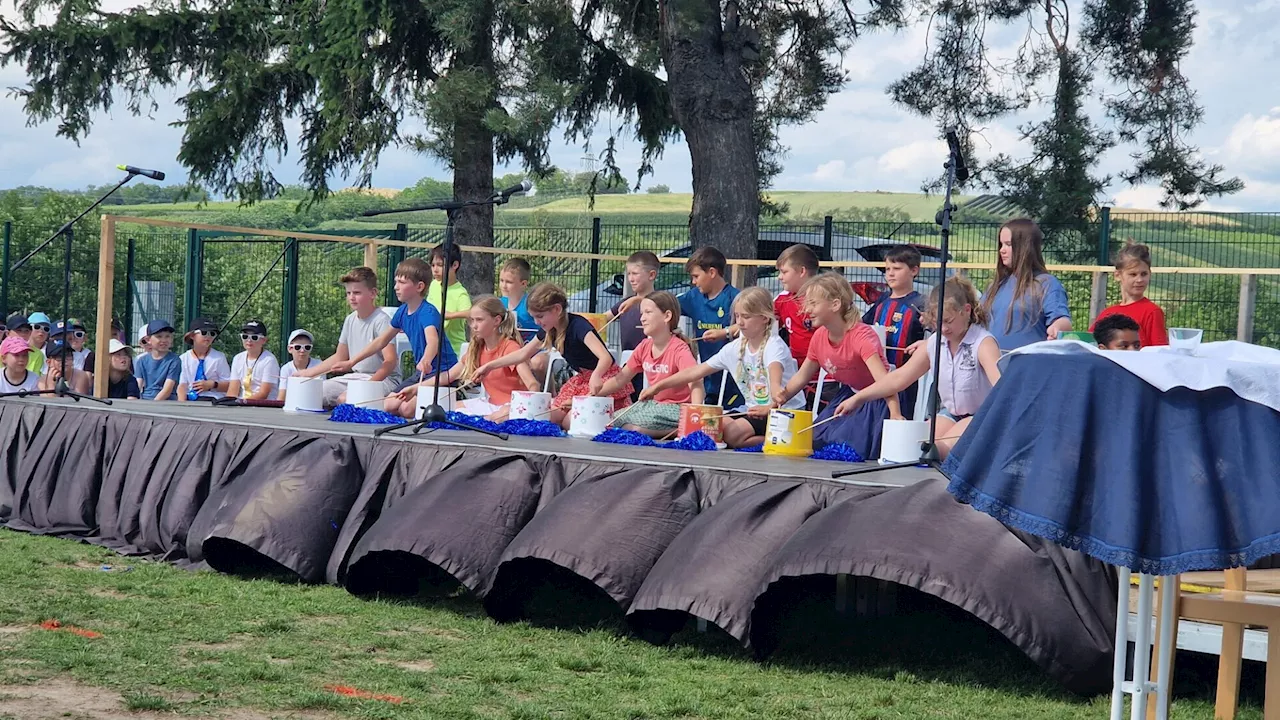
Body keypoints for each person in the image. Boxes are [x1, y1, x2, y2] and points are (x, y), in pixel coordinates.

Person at [843, 277, 1001, 460]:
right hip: (950, 413)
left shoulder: (983, 343)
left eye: (948, 321)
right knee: (915, 444)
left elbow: (1002, 388)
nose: (943, 328)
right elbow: (898, 378)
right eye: (937, 323)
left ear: (966, 311)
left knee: (940, 448)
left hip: (981, 415)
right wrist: (858, 398)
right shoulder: (934, 343)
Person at [643, 287, 805, 448]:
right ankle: (766, 439)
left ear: (764, 318)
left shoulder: (774, 345)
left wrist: (772, 403)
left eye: (746, 317)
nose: (739, 322)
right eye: (737, 316)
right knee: (712, 426)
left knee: (731, 433)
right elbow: (695, 372)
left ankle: (781, 440)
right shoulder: (734, 348)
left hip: (783, 411)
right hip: (753, 409)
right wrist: (657, 387)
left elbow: (775, 377)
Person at [775, 272, 899, 459]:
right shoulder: (819, 336)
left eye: (813, 303)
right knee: (815, 440)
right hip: (848, 395)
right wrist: (778, 400)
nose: (806, 310)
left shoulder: (861, 336)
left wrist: (895, 415)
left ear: (835, 305)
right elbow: (802, 376)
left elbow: (886, 383)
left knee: (844, 446)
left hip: (876, 400)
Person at [475, 283, 629, 430]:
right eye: (534, 317)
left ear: (557, 309)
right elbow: (523, 353)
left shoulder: (579, 326)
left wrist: (597, 375)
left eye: (540, 316)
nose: (537, 322)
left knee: (567, 421)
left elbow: (605, 357)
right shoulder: (549, 330)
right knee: (547, 414)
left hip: (604, 380)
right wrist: (489, 366)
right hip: (583, 380)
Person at [399, 296, 538, 421]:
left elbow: (533, 385)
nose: (474, 326)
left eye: (479, 320)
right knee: (445, 410)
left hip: (509, 407)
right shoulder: (477, 348)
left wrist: (517, 408)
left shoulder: (509, 347)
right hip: (489, 404)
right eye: (472, 320)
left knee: (492, 418)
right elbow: (448, 376)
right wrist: (415, 388)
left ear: (497, 321)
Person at [336, 258, 455, 404]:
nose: (396, 287)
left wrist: (426, 360)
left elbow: (433, 341)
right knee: (390, 405)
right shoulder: (402, 311)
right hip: (421, 374)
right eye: (396, 282)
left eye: (402, 283)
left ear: (419, 287)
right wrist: (351, 362)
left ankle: (454, 397)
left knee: (405, 408)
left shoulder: (428, 312)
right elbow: (381, 341)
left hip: (443, 373)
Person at [594, 292, 702, 438]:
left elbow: (695, 379)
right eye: (642, 313)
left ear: (667, 316)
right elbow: (621, 379)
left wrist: (694, 418)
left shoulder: (678, 348)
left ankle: (680, 429)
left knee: (633, 427)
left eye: (648, 312)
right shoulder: (644, 346)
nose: (642, 318)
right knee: (608, 419)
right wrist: (592, 395)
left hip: (676, 408)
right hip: (653, 406)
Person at [295, 267, 400, 407]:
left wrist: (369, 386)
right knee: (313, 393)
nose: (351, 297)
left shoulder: (381, 320)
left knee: (345, 399)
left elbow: (390, 361)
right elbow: (340, 357)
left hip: (384, 379)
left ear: (373, 293)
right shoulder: (350, 319)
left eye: (357, 293)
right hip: (357, 377)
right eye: (348, 293)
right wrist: (308, 373)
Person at [980, 218, 1072, 350]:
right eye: (1001, 244)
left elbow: (1062, 320)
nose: (1002, 250)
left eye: (1008, 244)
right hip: (992, 364)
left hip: (1027, 364)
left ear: (1025, 247)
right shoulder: (995, 286)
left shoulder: (1046, 284)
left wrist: (1057, 328)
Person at [862, 246, 926, 419]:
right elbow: (862, 328)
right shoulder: (881, 302)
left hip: (906, 383)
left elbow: (935, 335)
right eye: (887, 269)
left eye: (897, 269)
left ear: (914, 270)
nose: (890, 274)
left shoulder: (921, 304)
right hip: (877, 378)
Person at [679, 247, 741, 408]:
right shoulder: (693, 297)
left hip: (735, 380)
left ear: (712, 272)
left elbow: (752, 322)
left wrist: (725, 332)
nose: (694, 282)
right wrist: (676, 333)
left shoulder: (735, 297)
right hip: (708, 379)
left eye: (696, 276)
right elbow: (666, 308)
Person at [1090, 242, 1167, 348]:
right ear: (1117, 275)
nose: (1139, 280)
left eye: (1144, 274)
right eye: (1133, 274)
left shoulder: (1152, 312)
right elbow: (1090, 342)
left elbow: (1160, 351)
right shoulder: (1108, 313)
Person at [773, 244, 820, 366]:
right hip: (794, 370)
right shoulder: (783, 299)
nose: (779, 277)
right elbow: (758, 320)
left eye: (784, 272)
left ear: (802, 271)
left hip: (827, 375)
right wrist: (727, 332)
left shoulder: (825, 299)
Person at [427, 243, 472, 353]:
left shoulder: (460, 293)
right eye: (433, 265)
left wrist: (450, 315)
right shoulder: (434, 285)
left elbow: (471, 313)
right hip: (434, 347)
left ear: (455, 265)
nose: (435, 270)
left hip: (453, 350)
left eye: (440, 265)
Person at [177, 317, 231, 401]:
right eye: (204, 333)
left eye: (212, 334)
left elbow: (229, 385)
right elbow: (182, 385)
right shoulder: (183, 358)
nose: (208, 336)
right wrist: (182, 404)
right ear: (192, 335)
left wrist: (213, 385)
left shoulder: (219, 357)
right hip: (190, 399)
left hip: (212, 399)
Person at [227, 320, 281, 401]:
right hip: (241, 403)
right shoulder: (238, 358)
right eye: (245, 336)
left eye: (254, 337)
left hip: (262, 406)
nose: (249, 340)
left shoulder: (269, 360)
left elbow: (263, 394)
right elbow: (232, 390)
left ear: (264, 340)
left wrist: (242, 403)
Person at [134, 320, 181, 400]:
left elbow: (167, 390)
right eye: (159, 336)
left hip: (166, 402)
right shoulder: (141, 360)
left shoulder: (174, 360)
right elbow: (138, 384)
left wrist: (153, 404)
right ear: (148, 339)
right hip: (145, 399)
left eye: (167, 336)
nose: (164, 340)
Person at [277, 329, 323, 401]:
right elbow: (281, 397)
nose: (302, 351)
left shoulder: (319, 365)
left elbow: (321, 394)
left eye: (307, 347)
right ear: (290, 349)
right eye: (297, 347)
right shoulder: (285, 369)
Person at [499, 258, 538, 343]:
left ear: (523, 284)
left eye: (509, 282)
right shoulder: (499, 304)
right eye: (501, 281)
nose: (503, 286)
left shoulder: (531, 303)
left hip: (533, 350)